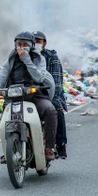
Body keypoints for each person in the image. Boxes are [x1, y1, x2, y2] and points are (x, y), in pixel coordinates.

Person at [0, 31, 57, 161]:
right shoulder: (12, 57)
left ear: (31, 45)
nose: (22, 47)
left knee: (50, 110)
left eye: (25, 44)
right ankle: (8, 149)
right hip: (14, 95)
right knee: (5, 121)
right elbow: (2, 74)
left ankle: (49, 147)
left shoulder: (38, 58)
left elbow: (39, 77)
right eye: (19, 44)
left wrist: (26, 60)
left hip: (35, 95)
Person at [33, 31, 68, 159]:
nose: (36, 43)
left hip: (50, 92)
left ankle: (60, 144)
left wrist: (53, 93)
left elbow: (56, 79)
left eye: (39, 41)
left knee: (56, 109)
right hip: (31, 93)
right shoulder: (26, 55)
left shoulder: (51, 56)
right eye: (34, 41)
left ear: (44, 43)